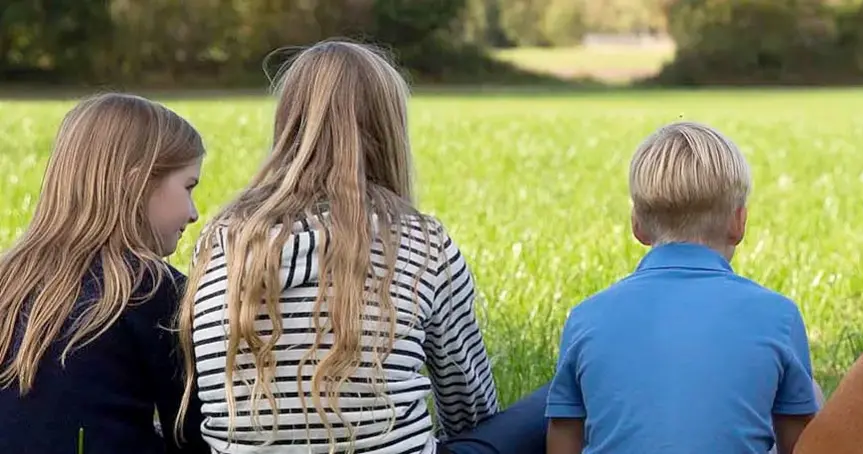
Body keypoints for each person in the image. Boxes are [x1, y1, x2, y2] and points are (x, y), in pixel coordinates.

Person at [175, 39, 545, 454]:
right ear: (388, 129)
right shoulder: (422, 243)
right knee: (565, 390)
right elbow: (469, 409)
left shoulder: (223, 239)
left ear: (287, 123)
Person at [545, 121, 821, 454]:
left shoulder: (585, 318)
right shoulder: (779, 316)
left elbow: (563, 437)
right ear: (739, 222)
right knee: (809, 394)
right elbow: (800, 445)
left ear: (637, 225)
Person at [0, 93, 208, 453]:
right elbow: (196, 432)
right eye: (188, 187)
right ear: (136, 183)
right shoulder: (152, 287)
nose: (193, 213)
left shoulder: (9, 276)